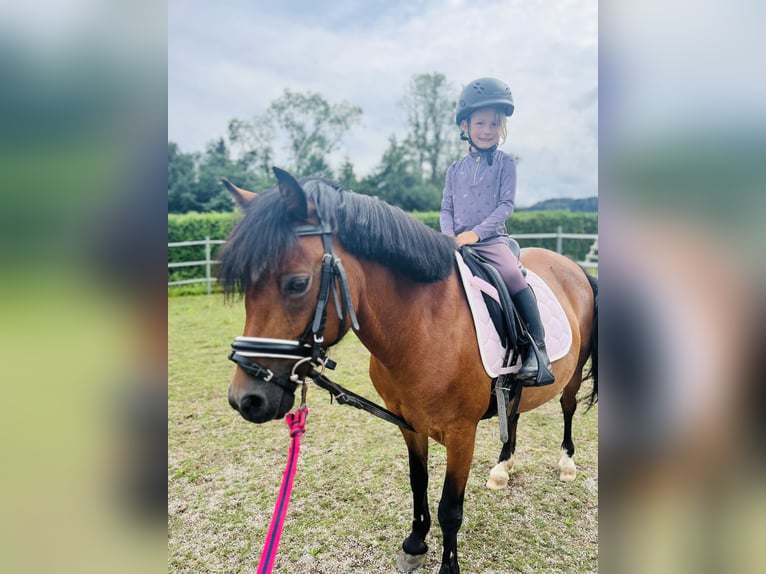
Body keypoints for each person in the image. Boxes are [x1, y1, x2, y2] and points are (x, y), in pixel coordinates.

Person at [440, 77, 553, 385]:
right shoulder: (453, 170)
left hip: (489, 241)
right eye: (480, 123)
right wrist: (449, 236)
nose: (487, 130)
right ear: (465, 126)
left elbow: (505, 206)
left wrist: (474, 234)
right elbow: (446, 208)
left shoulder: (505, 164)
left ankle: (537, 350)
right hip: (456, 244)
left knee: (514, 276)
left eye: (493, 124)